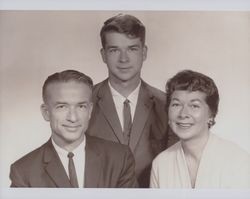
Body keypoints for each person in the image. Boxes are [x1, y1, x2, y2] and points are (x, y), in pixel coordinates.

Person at [87, 14, 178, 187]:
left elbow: (176, 164)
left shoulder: (168, 105)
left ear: (144, 53)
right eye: (114, 50)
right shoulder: (83, 102)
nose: (124, 59)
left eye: (132, 49)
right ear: (103, 54)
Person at [9, 70, 138, 188]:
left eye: (81, 106)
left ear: (90, 111)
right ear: (46, 112)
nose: (73, 117)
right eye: (62, 107)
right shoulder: (23, 172)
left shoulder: (120, 159)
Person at [150, 70, 250, 188]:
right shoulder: (161, 164)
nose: (183, 114)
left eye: (194, 106)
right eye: (176, 104)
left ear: (211, 114)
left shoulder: (238, 161)